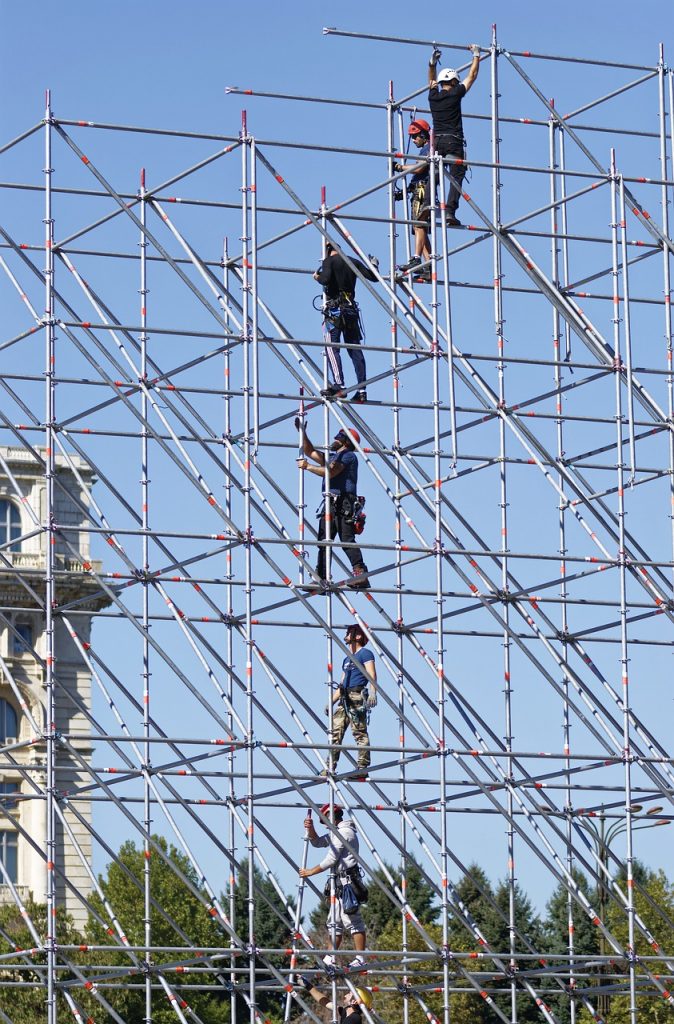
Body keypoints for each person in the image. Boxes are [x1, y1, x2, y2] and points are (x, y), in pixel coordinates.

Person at [297, 424, 369, 589]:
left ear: (346, 441)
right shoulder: (334, 457)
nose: (335, 439)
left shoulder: (348, 456)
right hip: (330, 502)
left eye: (339, 437)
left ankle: (361, 574)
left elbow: (332, 472)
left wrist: (308, 467)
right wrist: (303, 432)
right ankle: (321, 577)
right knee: (323, 541)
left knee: (346, 540)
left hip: (344, 502)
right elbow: (310, 451)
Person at [299, 803, 368, 971]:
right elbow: (318, 842)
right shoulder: (336, 832)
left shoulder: (344, 832)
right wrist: (311, 830)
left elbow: (331, 859)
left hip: (347, 883)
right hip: (339, 883)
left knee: (352, 920)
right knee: (334, 921)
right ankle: (331, 957)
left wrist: (310, 872)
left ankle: (361, 958)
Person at [314, 241, 379, 403]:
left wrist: (317, 277)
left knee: (331, 347)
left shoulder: (329, 261)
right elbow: (373, 277)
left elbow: (325, 279)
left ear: (328, 250)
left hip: (335, 312)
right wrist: (374, 265)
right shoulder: (352, 261)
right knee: (355, 349)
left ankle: (339, 385)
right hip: (350, 311)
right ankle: (362, 390)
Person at [427, 43, 481, 226]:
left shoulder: (433, 97)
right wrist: (476, 55)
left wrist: (432, 65)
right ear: (453, 82)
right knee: (457, 172)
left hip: (437, 143)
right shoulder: (455, 94)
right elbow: (472, 76)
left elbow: (431, 82)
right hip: (453, 141)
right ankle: (449, 211)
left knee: (434, 172)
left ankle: (427, 205)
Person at [326, 624, 377, 777]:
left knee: (359, 732)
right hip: (345, 698)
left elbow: (371, 675)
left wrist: (373, 692)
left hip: (356, 696)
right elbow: (341, 684)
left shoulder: (365, 654)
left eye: (349, 633)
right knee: (335, 732)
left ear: (359, 636)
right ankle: (330, 766)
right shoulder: (347, 659)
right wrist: (331, 701)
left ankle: (362, 768)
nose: (346, 635)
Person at [394, 118, 432, 280]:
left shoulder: (428, 148)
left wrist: (400, 167)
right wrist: (405, 191)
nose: (414, 140)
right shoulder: (424, 149)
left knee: (419, 226)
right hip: (419, 188)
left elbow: (421, 168)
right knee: (419, 229)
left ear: (424, 135)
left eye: (415, 136)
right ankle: (427, 265)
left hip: (422, 190)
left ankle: (417, 259)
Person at [294, 972, 374, 1022]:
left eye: (349, 994)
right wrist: (308, 986)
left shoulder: (355, 1018)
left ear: (355, 1001)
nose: (345, 995)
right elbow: (326, 1003)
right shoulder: (346, 1012)